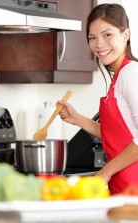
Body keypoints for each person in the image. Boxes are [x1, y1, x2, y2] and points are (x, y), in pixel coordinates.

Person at [58, 3, 138, 195]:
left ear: (125, 35)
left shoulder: (130, 74)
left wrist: (104, 173)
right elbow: (120, 136)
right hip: (126, 184)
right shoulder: (119, 77)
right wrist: (78, 119)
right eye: (92, 38)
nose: (99, 44)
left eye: (107, 34)